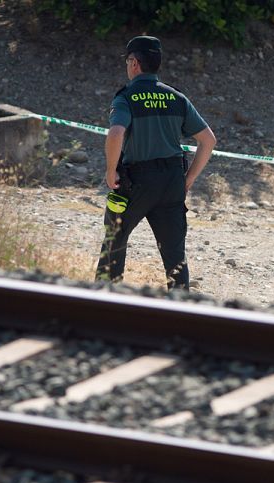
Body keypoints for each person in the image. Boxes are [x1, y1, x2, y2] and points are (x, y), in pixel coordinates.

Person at [95, 35, 217, 291]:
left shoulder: (126, 97)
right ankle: (180, 308)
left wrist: (110, 170)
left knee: (114, 241)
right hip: (172, 180)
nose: (127, 66)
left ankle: (104, 302)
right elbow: (208, 140)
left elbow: (116, 133)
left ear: (135, 63)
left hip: (137, 181)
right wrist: (189, 179)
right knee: (175, 256)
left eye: (128, 61)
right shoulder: (176, 98)